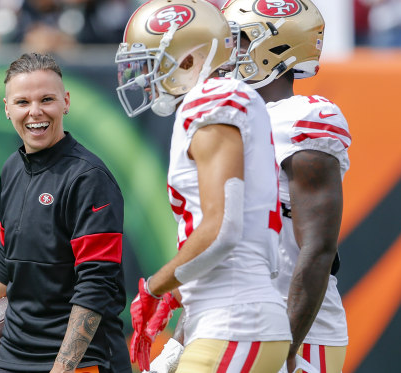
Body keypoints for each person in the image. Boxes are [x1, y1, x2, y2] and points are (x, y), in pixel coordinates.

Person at [115, 0, 291, 371]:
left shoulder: (213, 101)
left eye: (154, 61)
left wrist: (153, 287)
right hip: (232, 318)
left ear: (191, 58)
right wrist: (177, 294)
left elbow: (222, 230)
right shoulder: (228, 101)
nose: (145, 76)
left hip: (235, 321)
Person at [0, 52, 131, 373]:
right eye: (22, 102)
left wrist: (63, 367)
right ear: (7, 108)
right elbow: (6, 260)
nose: (35, 112)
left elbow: (96, 284)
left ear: (66, 102)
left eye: (47, 99)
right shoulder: (11, 169)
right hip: (13, 354)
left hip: (82, 360)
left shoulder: (89, 177)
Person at [222, 1, 351, 372]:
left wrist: (286, 348)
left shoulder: (301, 119)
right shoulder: (233, 119)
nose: (232, 52)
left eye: (242, 40)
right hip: (235, 320)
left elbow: (318, 248)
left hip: (302, 334)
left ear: (277, 47)